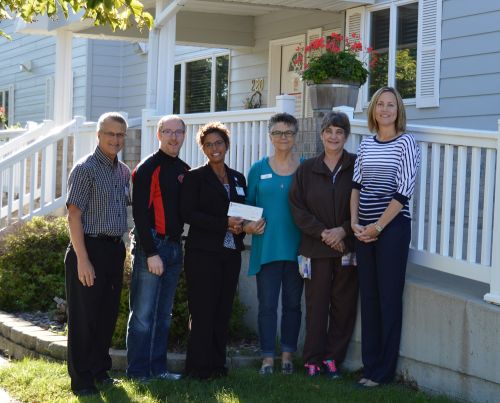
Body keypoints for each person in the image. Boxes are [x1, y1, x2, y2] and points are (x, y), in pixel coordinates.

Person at [351, 87, 420, 387]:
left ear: (398, 110)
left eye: (391, 104)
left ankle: (384, 372)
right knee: (368, 297)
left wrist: (377, 227)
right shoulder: (366, 144)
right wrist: (354, 223)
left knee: (389, 299)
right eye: (380, 104)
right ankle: (370, 367)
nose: (385, 109)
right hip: (362, 229)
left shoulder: (407, 143)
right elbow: (356, 186)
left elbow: (403, 192)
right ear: (373, 110)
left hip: (391, 230)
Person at [64, 112, 130, 396]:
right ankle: (81, 381)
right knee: (83, 319)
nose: (115, 140)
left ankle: (99, 371)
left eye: (120, 135)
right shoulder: (85, 169)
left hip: (113, 250)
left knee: (106, 315)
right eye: (110, 134)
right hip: (87, 249)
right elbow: (73, 216)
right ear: (99, 135)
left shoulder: (123, 171)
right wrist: (82, 259)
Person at [289, 111, 358, 378]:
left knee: (344, 305)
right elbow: (297, 207)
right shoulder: (307, 169)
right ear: (321, 135)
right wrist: (325, 233)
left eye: (339, 132)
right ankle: (312, 358)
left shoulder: (356, 165)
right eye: (329, 131)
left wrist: (343, 231)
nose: (334, 137)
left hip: (346, 248)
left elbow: (363, 205)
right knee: (316, 305)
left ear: (346, 136)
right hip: (315, 249)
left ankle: (332, 359)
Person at [180, 122, 246, 379]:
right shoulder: (194, 177)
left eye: (219, 143)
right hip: (203, 255)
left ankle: (218, 366)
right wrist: (224, 224)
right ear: (203, 149)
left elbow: (242, 211)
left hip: (231, 254)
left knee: (222, 311)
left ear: (226, 145)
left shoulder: (238, 177)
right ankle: (197, 369)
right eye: (208, 144)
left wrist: (245, 226)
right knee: (202, 311)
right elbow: (189, 214)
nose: (214, 148)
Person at [126, 115, 189, 381]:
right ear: (159, 135)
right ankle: (138, 372)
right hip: (151, 245)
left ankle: (159, 369)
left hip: (175, 247)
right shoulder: (147, 167)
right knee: (142, 314)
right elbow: (139, 214)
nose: (173, 137)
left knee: (164, 315)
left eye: (178, 132)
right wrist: (151, 252)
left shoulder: (186, 170)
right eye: (168, 131)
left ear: (184, 136)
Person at [244, 112, 303, 375]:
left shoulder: (305, 168)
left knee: (293, 304)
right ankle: (268, 357)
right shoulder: (258, 169)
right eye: (278, 132)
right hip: (266, 247)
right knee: (267, 305)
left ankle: (288, 356)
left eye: (288, 133)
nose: (283, 137)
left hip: (298, 250)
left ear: (295, 137)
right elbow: (247, 208)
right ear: (270, 136)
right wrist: (248, 226)